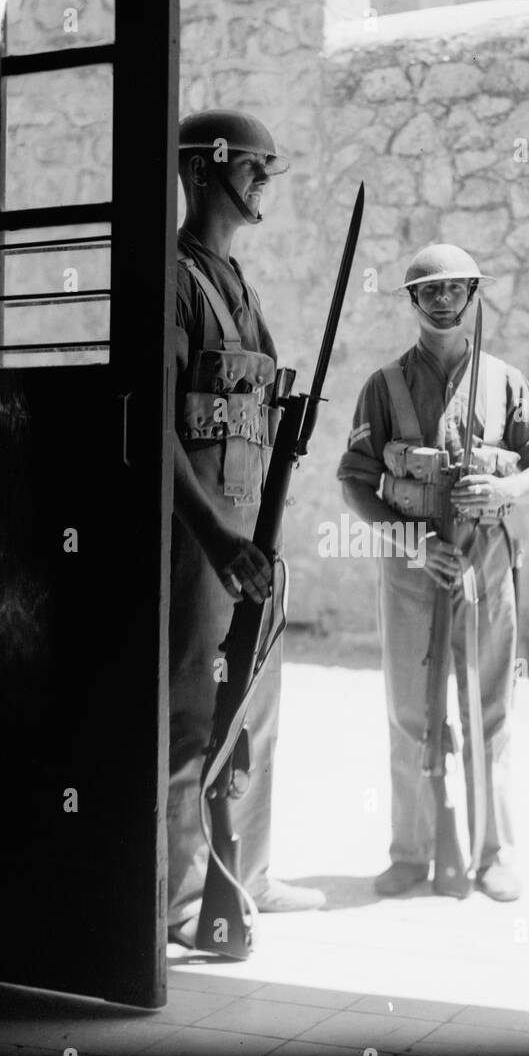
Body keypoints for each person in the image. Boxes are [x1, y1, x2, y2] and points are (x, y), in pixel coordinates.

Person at [337, 243, 529, 902]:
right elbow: (355, 482)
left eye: (453, 288)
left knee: (490, 708)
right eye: (427, 291)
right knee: (410, 710)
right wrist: (407, 538)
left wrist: (507, 493)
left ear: (472, 295)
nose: (440, 300)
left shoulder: (507, 381)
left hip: (485, 560)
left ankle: (495, 855)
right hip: (411, 564)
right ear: (411, 301)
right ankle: (410, 853)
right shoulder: (383, 386)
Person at [167, 109, 325, 948]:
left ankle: (245, 877)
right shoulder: (177, 280)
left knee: (250, 711)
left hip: (248, 534)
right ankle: (185, 901)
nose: (263, 179)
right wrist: (217, 540)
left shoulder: (241, 288)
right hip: (198, 544)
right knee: (193, 711)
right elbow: (156, 431)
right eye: (250, 166)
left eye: (269, 167)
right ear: (200, 172)